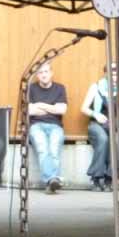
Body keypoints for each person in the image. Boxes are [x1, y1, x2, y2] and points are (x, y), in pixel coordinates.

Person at [80, 63, 119, 191]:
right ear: (106, 74)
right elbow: (83, 108)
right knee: (103, 139)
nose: (114, 77)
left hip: (114, 124)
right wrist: (96, 115)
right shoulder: (95, 87)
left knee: (116, 141)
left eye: (116, 74)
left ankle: (110, 177)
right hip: (96, 123)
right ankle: (96, 177)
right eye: (112, 74)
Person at [28, 62, 67, 194]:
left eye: (46, 72)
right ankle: (52, 180)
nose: (43, 75)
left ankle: (50, 182)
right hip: (36, 125)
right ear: (37, 76)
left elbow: (62, 110)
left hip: (55, 125)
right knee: (42, 148)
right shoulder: (31, 89)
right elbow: (29, 111)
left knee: (54, 149)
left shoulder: (60, 88)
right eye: (40, 73)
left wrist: (40, 105)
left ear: (51, 73)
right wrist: (52, 108)